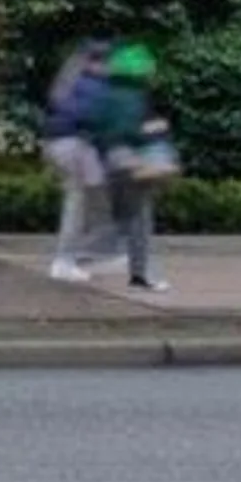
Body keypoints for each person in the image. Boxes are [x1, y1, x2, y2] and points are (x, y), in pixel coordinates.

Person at [79, 41, 178, 294]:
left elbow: (95, 128)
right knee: (137, 217)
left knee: (121, 214)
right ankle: (136, 272)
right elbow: (128, 130)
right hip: (128, 159)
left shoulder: (106, 95)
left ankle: (92, 258)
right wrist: (151, 135)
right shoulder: (133, 97)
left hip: (105, 160)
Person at [39, 37, 115, 281]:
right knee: (79, 199)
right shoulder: (94, 85)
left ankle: (86, 252)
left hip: (62, 143)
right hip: (76, 145)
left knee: (95, 195)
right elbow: (94, 117)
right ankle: (67, 260)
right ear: (98, 63)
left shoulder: (72, 81)